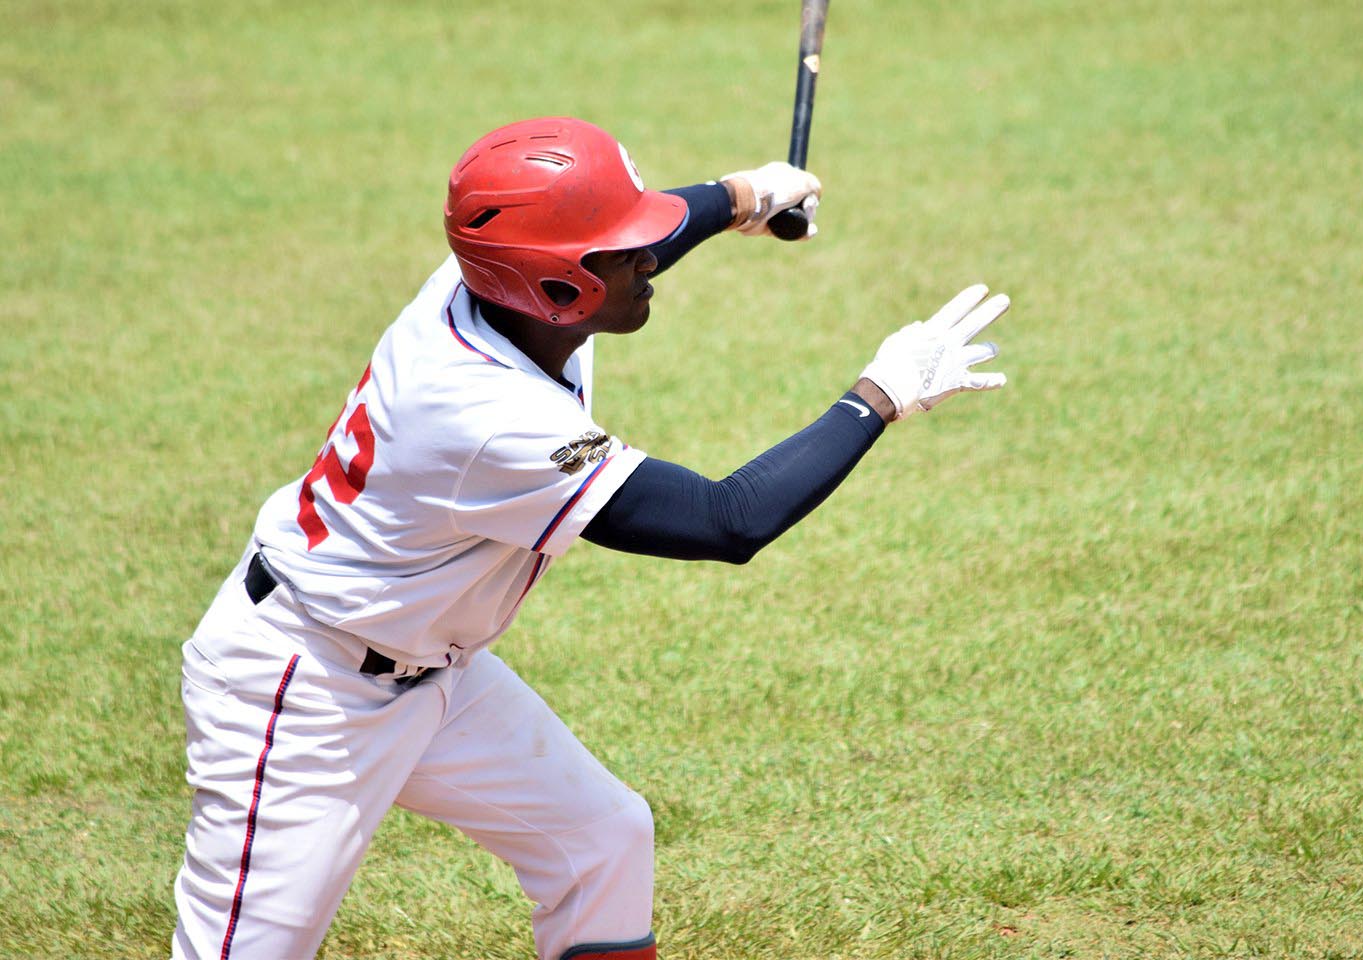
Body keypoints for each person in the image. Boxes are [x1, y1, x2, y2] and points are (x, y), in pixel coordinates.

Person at [171, 116, 1009, 960]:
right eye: (627, 251)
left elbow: (618, 239)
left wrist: (746, 195)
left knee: (603, 839)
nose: (650, 260)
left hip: (430, 671)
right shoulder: (488, 416)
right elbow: (726, 521)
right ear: (561, 287)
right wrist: (879, 394)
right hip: (304, 691)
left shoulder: (501, 292)